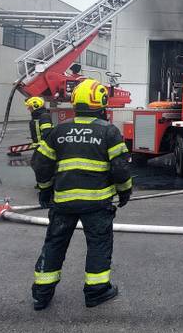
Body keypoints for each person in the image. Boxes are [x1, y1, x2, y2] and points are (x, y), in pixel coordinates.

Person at [30, 78, 132, 310]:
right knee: (98, 244)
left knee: (55, 243)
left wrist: (45, 189)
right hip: (97, 204)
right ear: (102, 103)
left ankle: (42, 294)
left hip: (63, 203)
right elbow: (120, 167)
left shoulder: (59, 130)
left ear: (75, 103)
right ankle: (96, 292)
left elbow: (41, 164)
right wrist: (125, 191)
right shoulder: (109, 131)